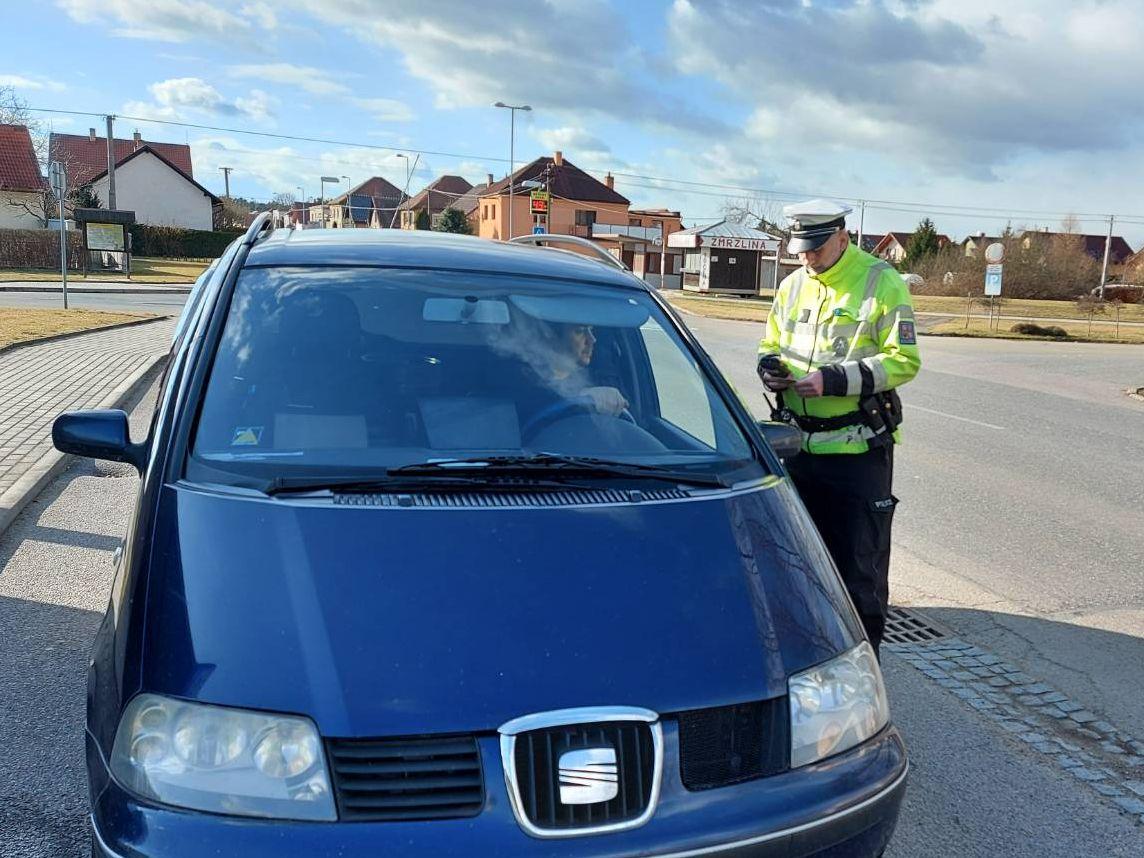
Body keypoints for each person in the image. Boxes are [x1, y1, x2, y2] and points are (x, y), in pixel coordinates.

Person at [758, 199, 921, 656]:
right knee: (797, 563)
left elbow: (904, 361)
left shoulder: (880, 282)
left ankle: (863, 668)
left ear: (842, 238)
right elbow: (770, 342)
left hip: (856, 455)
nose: (806, 257)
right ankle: (808, 657)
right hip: (796, 449)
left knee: (858, 572)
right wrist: (769, 367)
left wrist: (832, 380)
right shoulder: (792, 286)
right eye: (800, 248)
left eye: (814, 248)